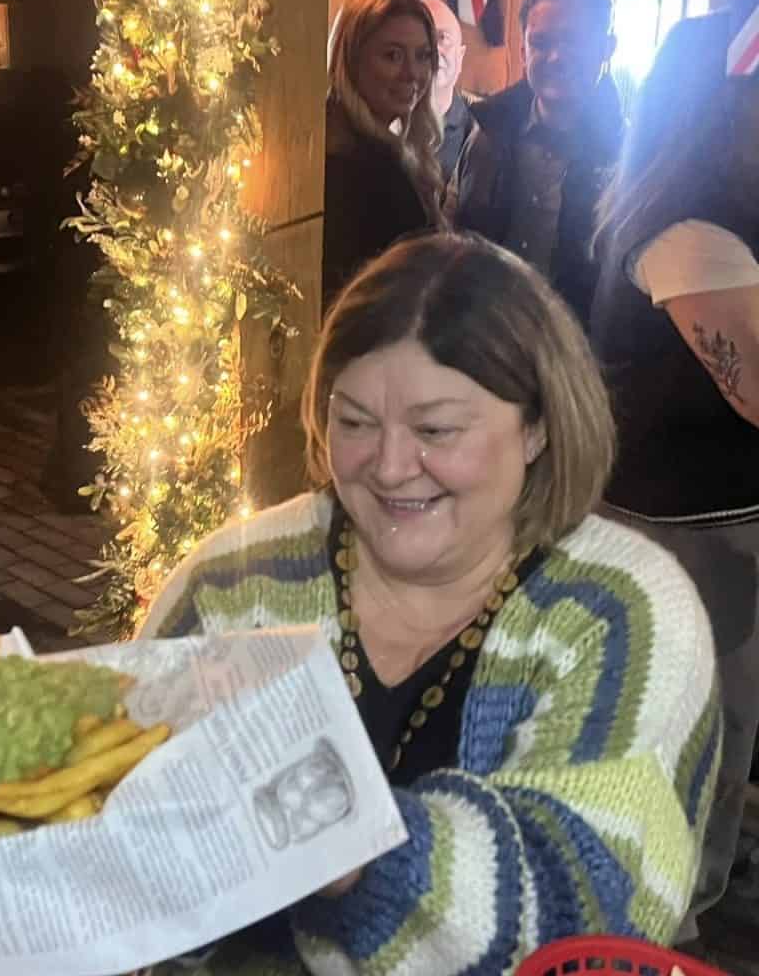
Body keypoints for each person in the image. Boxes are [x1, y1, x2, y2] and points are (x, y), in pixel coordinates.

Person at [140, 233, 719, 973]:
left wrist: (341, 840)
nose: (387, 467)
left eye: (435, 429)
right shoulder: (234, 580)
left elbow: (584, 908)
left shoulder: (624, 609)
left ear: (537, 427)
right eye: (353, 422)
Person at [591, 11, 759, 943]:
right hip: (692, 528)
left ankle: (702, 879)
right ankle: (672, 918)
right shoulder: (687, 229)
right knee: (704, 731)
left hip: (711, 517)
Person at [454, 0, 623, 329]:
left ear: (607, 48)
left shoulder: (628, 156)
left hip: (577, 355)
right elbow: (457, 234)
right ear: (523, 51)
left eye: (573, 41)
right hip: (485, 340)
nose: (556, 56)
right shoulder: (486, 135)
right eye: (540, 43)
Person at [323, 0, 444, 313]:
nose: (412, 74)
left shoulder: (383, 148)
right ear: (350, 59)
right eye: (392, 56)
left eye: (423, 56)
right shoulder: (350, 164)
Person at [421, 0, 473, 184]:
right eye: (421, 37)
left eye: (443, 38)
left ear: (460, 56)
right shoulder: (378, 126)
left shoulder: (482, 132)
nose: (433, 50)